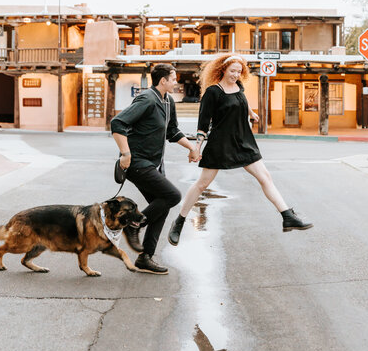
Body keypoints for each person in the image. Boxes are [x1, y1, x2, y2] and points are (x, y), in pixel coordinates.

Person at [168, 54, 313, 246]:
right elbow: (203, 125)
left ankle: (287, 216)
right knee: (202, 185)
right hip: (220, 144)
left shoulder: (238, 87)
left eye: (239, 71)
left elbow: (241, 101)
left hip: (244, 141)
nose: (236, 74)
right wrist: (196, 148)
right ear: (222, 70)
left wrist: (251, 113)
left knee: (265, 177)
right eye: (232, 71)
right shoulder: (212, 93)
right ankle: (179, 221)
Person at [111, 63, 199, 274]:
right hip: (138, 163)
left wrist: (192, 148)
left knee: (162, 206)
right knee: (173, 196)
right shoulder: (147, 99)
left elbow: (172, 131)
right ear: (163, 80)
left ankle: (145, 258)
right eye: (173, 78)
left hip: (154, 164)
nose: (176, 82)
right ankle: (133, 224)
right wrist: (125, 153)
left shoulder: (168, 101)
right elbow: (118, 123)